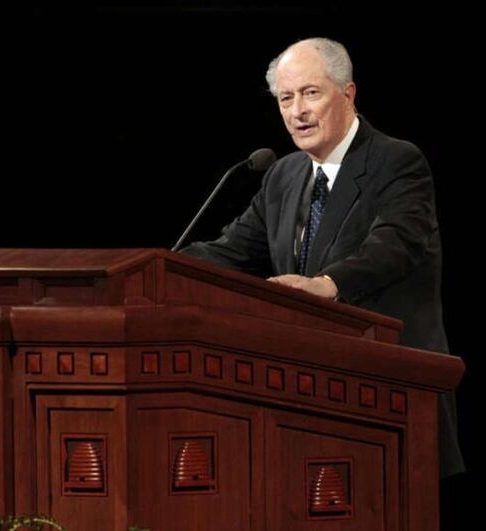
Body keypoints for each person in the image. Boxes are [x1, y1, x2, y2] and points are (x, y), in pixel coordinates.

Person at [180, 37, 464, 478]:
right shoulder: (283, 175)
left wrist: (327, 285)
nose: (298, 111)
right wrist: (157, 267)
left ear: (347, 93)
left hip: (391, 392)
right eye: (286, 98)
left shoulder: (397, 161)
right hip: (307, 393)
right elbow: (230, 250)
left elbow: (394, 246)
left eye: (311, 93)